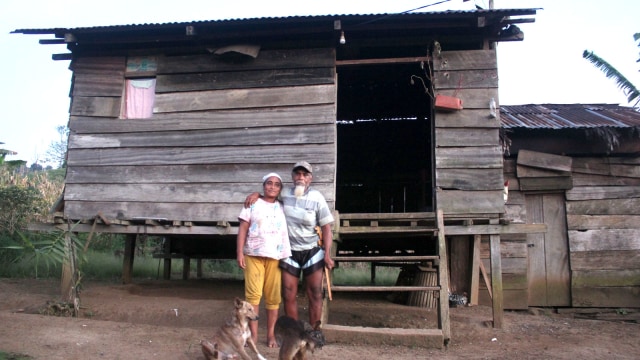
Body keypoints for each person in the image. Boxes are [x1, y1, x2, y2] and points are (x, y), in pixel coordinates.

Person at [245, 161, 334, 327]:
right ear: (293, 177)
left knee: (314, 292)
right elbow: (269, 195)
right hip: (288, 251)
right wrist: (256, 194)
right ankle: (294, 332)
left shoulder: (317, 198)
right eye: (297, 174)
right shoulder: (284, 193)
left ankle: (314, 332)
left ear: (310, 179)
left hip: (312, 251)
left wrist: (327, 254)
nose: (301, 177)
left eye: (305, 174)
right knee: (288, 293)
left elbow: (327, 228)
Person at [237, 172, 291, 348]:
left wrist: (258, 194)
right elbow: (243, 228)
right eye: (269, 183)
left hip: (275, 256)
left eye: (277, 184)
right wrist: (239, 252)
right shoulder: (251, 204)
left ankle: (270, 335)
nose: (272, 187)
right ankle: (252, 335)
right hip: (253, 254)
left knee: (273, 297)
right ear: (263, 185)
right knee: (253, 296)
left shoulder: (283, 206)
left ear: (280, 189)